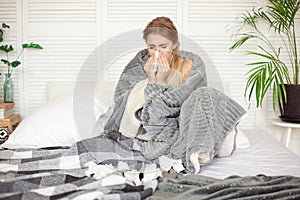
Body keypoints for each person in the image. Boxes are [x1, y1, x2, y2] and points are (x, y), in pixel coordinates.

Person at [102, 16, 246, 174]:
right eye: (152, 47)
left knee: (205, 94)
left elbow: (188, 101)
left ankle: (203, 146)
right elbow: (126, 99)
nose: (157, 53)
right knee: (142, 97)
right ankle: (193, 150)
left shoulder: (191, 63)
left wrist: (162, 83)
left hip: (184, 121)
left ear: (174, 44)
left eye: (163, 46)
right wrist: (153, 80)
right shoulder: (139, 64)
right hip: (151, 128)